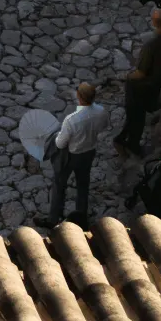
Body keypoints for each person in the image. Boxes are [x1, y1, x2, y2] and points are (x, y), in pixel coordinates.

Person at [116, 10, 161, 154]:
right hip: (157, 84)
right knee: (139, 113)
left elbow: (140, 73)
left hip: (140, 87)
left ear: (154, 23)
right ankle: (122, 139)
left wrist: (125, 76)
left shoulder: (150, 46)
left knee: (136, 116)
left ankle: (130, 144)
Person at [42, 82, 109, 226]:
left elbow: (60, 144)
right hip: (89, 152)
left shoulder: (72, 119)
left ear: (79, 96)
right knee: (83, 185)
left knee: (59, 184)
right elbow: (104, 126)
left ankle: (54, 219)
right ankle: (81, 217)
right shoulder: (102, 111)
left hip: (72, 156)